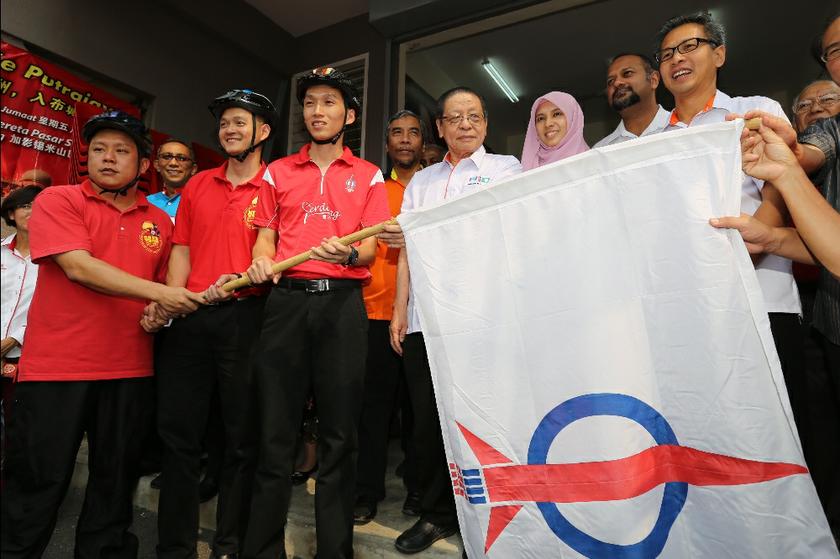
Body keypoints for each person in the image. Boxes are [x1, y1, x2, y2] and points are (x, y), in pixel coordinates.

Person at [0, 110, 203, 558]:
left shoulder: (161, 222)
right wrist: (162, 295)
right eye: (98, 149)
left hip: (130, 370)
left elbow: (167, 284)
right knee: (38, 478)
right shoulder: (59, 201)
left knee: (115, 482)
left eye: (121, 150)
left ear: (143, 165)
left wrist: (159, 312)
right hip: (57, 369)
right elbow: (79, 267)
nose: (108, 159)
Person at [242, 67, 389, 559]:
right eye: (310, 103)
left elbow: (368, 251)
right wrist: (262, 260)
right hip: (285, 305)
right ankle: (261, 549)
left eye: (329, 103)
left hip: (342, 308)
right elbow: (265, 234)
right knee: (274, 433)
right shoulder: (277, 171)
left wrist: (346, 254)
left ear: (349, 115)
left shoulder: (368, 175)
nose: (318, 111)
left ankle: (334, 551)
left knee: (340, 435)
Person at [656, 11, 811, 453]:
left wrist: (758, 240)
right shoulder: (653, 140)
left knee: (783, 434)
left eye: (689, 47)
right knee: (715, 437)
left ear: (719, 53)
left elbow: (783, 186)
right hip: (689, 307)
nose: (677, 59)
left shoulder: (754, 111)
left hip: (763, 295)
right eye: (667, 54)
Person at [390, 86, 521, 554]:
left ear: (485, 122)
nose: (465, 123)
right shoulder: (421, 184)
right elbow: (406, 248)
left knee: (481, 419)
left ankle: (489, 517)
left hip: (482, 317)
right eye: (455, 117)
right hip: (428, 320)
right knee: (427, 422)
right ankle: (437, 515)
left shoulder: (505, 169)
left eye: (474, 115)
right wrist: (399, 309)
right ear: (440, 128)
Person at [153, 89, 276, 559]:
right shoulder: (199, 184)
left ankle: (230, 545)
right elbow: (180, 249)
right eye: (224, 121)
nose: (230, 129)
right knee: (179, 436)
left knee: (242, 439)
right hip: (191, 320)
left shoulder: (277, 184)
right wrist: (173, 299)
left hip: (248, 319)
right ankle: (174, 547)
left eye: (240, 121)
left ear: (262, 131)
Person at [353, 110, 425, 526]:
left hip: (422, 317)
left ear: (423, 140)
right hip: (374, 313)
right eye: (396, 132)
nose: (404, 139)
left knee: (419, 412)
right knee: (371, 412)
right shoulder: (372, 188)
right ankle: (365, 492)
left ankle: (418, 489)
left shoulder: (438, 188)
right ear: (387, 144)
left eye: (412, 133)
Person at [0, 185, 42, 469]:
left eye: (39, 205)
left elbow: (49, 309)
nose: (32, 211)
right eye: (25, 206)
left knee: (19, 427)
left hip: (26, 358)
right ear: (12, 213)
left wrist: (14, 338)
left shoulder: (54, 259)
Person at [594, 53, 670, 147]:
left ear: (653, 80)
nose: (617, 83)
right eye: (611, 81)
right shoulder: (601, 151)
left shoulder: (685, 128)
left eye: (627, 73)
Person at [521, 91, 588, 171]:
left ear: (573, 118)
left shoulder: (594, 164)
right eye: (541, 118)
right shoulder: (529, 168)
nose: (548, 124)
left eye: (557, 114)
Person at [147, 139, 197, 221]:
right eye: (167, 157)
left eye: (181, 158)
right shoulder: (146, 202)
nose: (173, 163)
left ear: (193, 169)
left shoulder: (201, 202)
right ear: (157, 165)